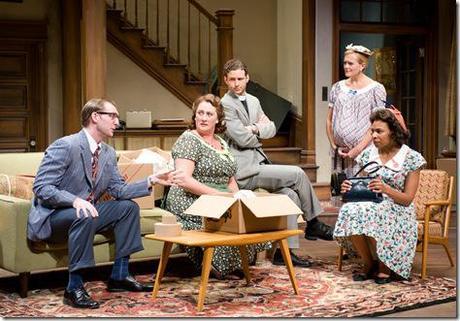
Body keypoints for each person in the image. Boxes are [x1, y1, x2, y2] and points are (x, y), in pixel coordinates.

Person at [28, 98, 175, 309]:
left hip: (87, 215)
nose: (117, 121)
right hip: (55, 217)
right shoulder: (65, 145)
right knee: (86, 212)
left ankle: (120, 276)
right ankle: (74, 287)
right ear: (95, 117)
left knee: (128, 207)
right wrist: (75, 200)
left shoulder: (107, 153)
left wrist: (152, 180)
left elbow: (119, 190)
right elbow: (41, 187)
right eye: (112, 116)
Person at [220, 58, 334, 268]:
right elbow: (241, 138)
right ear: (226, 80)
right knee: (298, 174)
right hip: (243, 170)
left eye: (240, 79)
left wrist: (254, 129)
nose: (236, 83)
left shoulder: (254, 101)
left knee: (289, 195)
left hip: (258, 163)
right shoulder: (225, 104)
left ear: (247, 78)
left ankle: (284, 254)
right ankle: (313, 223)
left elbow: (272, 128)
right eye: (232, 79)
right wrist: (258, 130)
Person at [165, 93, 269, 279]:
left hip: (220, 198)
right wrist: (219, 196)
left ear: (218, 119)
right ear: (194, 115)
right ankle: (216, 265)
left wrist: (237, 199)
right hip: (190, 199)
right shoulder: (189, 139)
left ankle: (233, 263)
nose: (204, 118)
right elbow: (184, 180)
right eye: (200, 113)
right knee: (223, 221)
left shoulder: (221, 142)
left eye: (209, 114)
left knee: (244, 217)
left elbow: (229, 177)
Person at [333, 108, 426, 284]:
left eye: (379, 131)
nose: (374, 135)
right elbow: (362, 185)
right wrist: (349, 187)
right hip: (372, 203)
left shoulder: (411, 158)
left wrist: (386, 189)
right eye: (372, 131)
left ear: (393, 132)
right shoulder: (368, 155)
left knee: (377, 211)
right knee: (349, 209)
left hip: (399, 208)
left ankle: (385, 266)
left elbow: (408, 199)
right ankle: (369, 263)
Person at [327, 44, 387, 177]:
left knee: (361, 191)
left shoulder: (376, 89)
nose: (346, 66)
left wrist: (357, 149)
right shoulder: (337, 87)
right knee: (340, 189)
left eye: (350, 63)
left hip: (364, 152)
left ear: (362, 65)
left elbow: (378, 123)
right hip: (340, 154)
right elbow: (329, 119)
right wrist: (334, 146)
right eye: (345, 63)